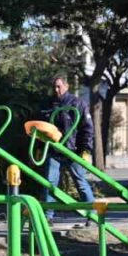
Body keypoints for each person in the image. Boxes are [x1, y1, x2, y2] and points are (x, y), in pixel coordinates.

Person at [43, 75, 95, 221]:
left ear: (66, 86)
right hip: (54, 150)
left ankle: (92, 214)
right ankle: (48, 217)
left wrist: (85, 150)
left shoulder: (77, 103)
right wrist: (41, 147)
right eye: (54, 87)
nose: (56, 90)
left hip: (73, 150)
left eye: (59, 86)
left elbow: (87, 128)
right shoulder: (50, 105)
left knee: (80, 182)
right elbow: (43, 127)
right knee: (49, 182)